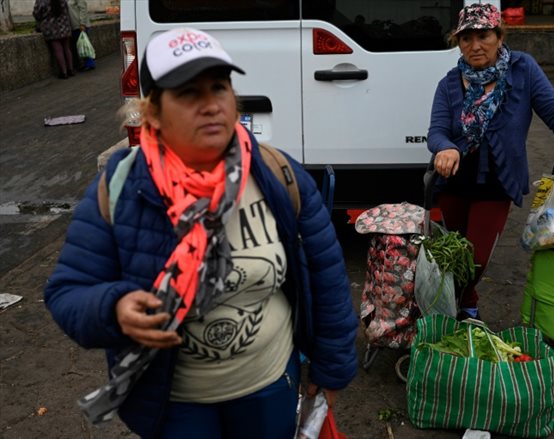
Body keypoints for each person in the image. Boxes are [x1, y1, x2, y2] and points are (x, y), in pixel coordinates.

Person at [44, 27, 358, 438]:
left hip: (268, 389)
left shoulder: (278, 174)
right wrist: (114, 308)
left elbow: (327, 276)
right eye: (189, 94)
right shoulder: (122, 187)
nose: (211, 105)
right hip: (176, 406)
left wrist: (331, 370)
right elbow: (68, 291)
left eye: (219, 87)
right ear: (153, 112)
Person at [427, 3, 554, 321]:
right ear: (458, 42)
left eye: (483, 36)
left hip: (498, 181)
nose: (475, 45)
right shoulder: (449, 83)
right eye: (466, 39)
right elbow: (437, 131)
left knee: (475, 259)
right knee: (452, 256)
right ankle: (465, 307)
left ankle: (459, 303)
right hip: (453, 181)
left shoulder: (522, 70)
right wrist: (446, 148)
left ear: (499, 35)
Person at [33, 0, 75, 79]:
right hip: (64, 26)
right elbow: (67, 10)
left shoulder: (41, 1)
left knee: (58, 50)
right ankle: (71, 70)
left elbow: (36, 14)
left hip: (51, 28)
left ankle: (64, 72)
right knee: (67, 48)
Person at [68, 0, 96, 71]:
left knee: (84, 45)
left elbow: (83, 9)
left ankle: (89, 64)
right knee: (81, 45)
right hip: (74, 26)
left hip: (80, 25)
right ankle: (87, 63)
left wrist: (82, 23)